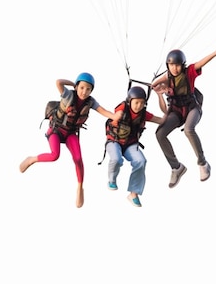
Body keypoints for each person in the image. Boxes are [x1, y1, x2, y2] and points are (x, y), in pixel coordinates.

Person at [19, 72, 122, 208]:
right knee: (55, 155)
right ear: (77, 87)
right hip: (56, 130)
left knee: (78, 158)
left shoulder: (90, 101)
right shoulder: (68, 94)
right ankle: (32, 159)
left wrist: (116, 116)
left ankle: (80, 187)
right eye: (81, 88)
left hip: (71, 133)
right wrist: (73, 84)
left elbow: (103, 111)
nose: (84, 92)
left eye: (88, 89)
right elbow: (58, 82)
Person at [152, 47, 216, 188]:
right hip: (177, 112)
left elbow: (201, 63)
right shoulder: (167, 78)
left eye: (177, 65)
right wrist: (158, 92)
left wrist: (215, 53)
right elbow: (163, 108)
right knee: (160, 133)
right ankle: (176, 168)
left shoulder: (189, 73)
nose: (174, 68)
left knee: (189, 129)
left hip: (193, 109)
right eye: (171, 65)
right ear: (167, 66)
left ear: (183, 65)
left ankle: (203, 163)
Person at [103, 85, 164, 207]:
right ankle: (112, 179)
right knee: (116, 158)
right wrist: (118, 116)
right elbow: (118, 112)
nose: (139, 106)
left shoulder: (143, 114)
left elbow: (159, 120)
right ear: (129, 101)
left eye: (142, 103)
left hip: (130, 145)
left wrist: (174, 119)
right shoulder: (123, 108)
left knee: (141, 161)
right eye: (136, 102)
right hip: (114, 141)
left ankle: (133, 193)